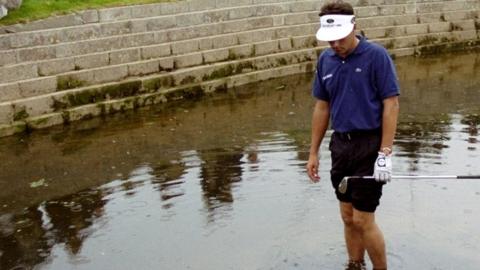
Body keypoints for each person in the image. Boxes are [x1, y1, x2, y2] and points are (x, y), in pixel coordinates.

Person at [306, 1, 400, 270]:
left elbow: (391, 104)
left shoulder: (376, 56)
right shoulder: (326, 59)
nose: (334, 45)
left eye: (339, 38)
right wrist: (313, 152)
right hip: (341, 145)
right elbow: (322, 106)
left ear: (354, 27)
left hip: (370, 144)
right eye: (329, 40)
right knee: (347, 216)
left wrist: (385, 152)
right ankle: (355, 265)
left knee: (363, 219)